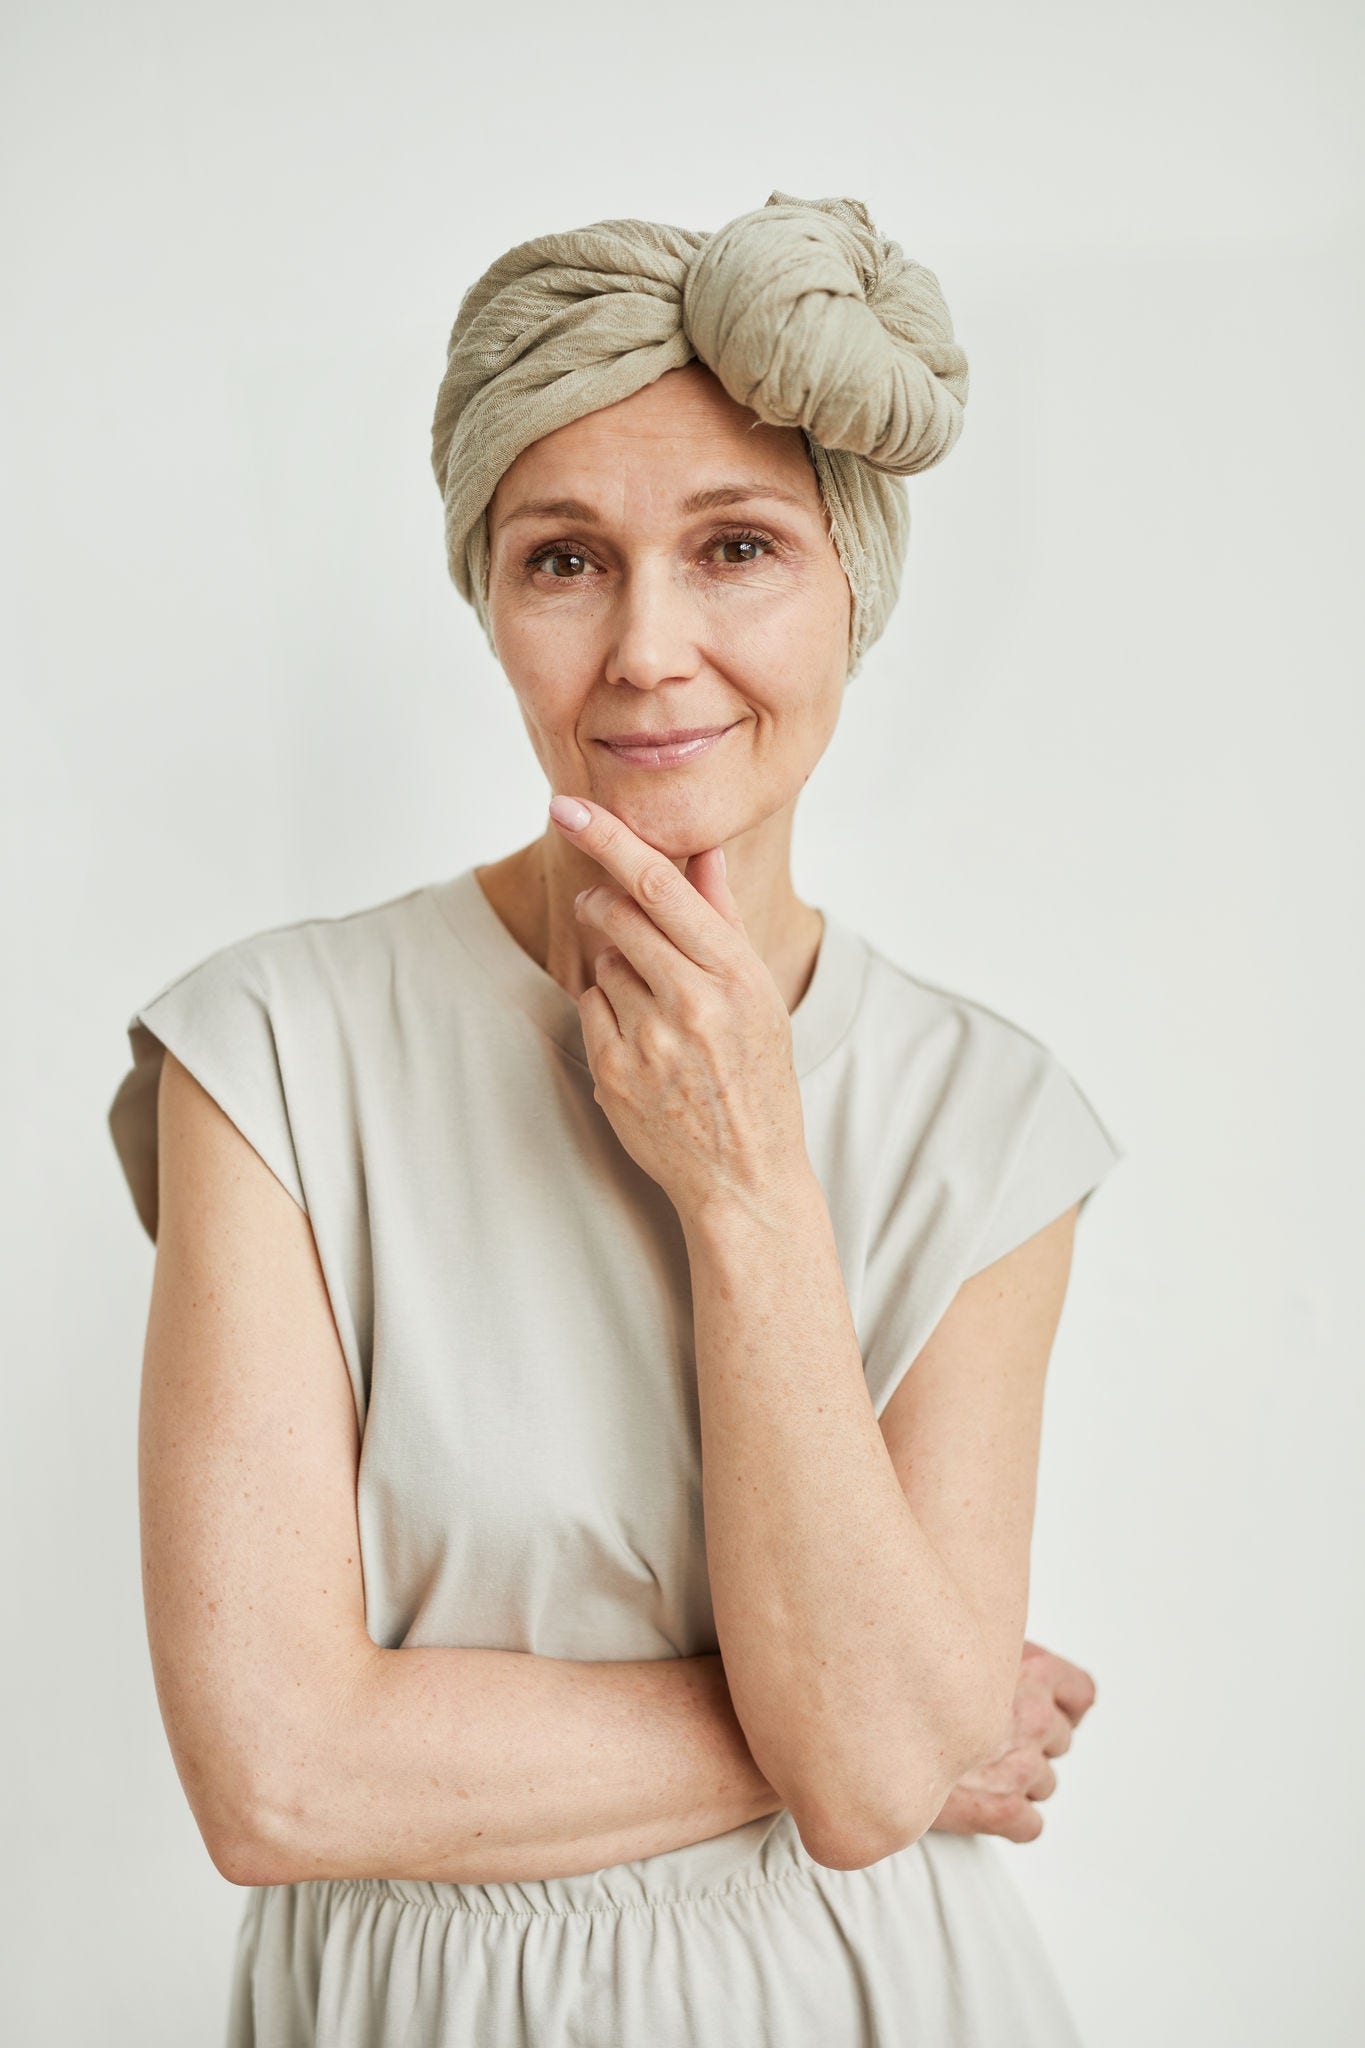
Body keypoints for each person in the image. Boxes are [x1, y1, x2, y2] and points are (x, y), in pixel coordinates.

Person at [107, 190, 1124, 2046]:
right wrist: (876, 1728)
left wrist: (744, 1177)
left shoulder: (990, 1121)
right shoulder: (266, 1052)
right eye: (563, 559)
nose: (649, 647)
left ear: (852, 597)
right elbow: (280, 1782)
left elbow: (886, 1773)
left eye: (737, 546)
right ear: (488, 602)